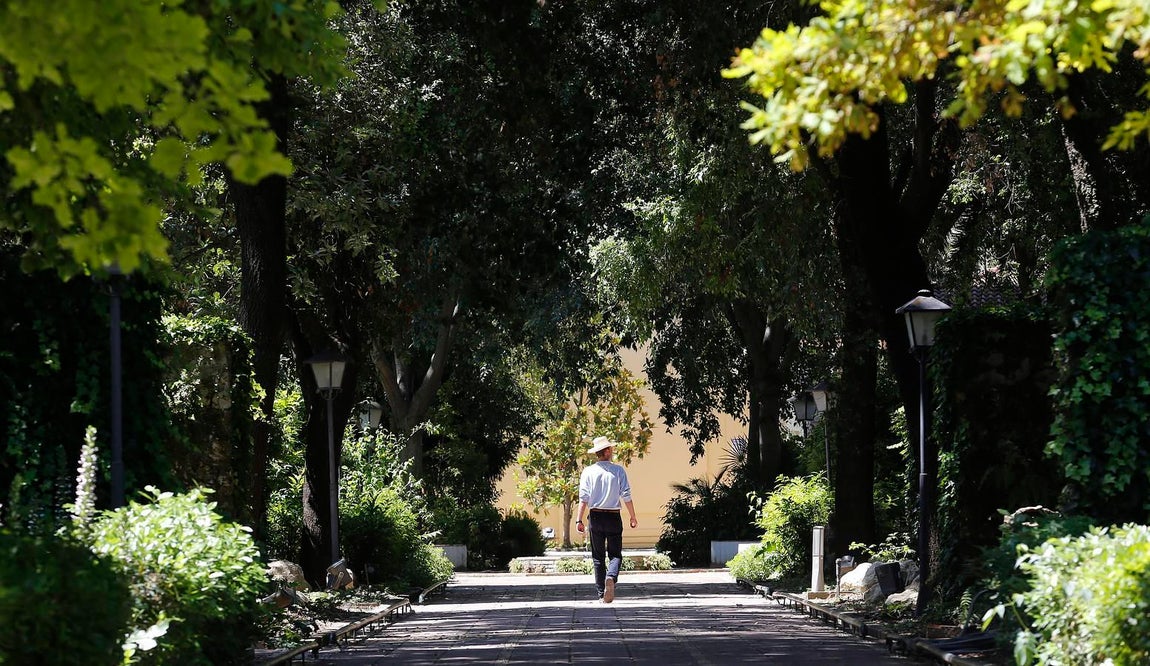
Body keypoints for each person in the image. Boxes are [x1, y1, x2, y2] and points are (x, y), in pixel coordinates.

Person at [575, 436, 638, 603]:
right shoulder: (618, 471)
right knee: (615, 554)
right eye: (611, 448)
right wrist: (632, 516)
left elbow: (584, 498)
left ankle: (601, 593)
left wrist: (578, 520)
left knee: (597, 557)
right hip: (613, 516)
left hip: (595, 516)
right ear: (607, 451)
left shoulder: (588, 471)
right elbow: (626, 496)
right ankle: (611, 576)